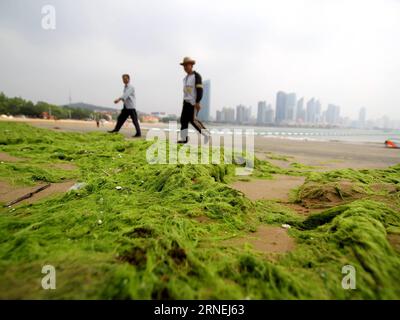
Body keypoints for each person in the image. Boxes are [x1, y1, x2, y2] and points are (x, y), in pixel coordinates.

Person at [178, 57, 209, 144]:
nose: (185, 67)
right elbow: (186, 92)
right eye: (184, 66)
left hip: (193, 103)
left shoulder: (196, 76)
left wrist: (198, 102)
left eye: (187, 65)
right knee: (183, 120)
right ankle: (184, 139)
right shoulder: (185, 78)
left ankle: (206, 134)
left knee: (193, 121)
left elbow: (200, 90)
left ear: (191, 65)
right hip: (186, 103)